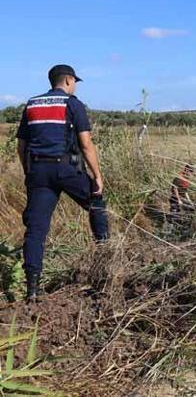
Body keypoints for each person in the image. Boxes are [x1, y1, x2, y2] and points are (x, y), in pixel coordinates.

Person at [16, 64, 109, 300]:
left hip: (38, 170)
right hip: (67, 168)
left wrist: (30, 172)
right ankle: (106, 256)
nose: (75, 85)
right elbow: (86, 144)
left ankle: (32, 290)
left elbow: (21, 146)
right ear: (68, 81)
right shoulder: (72, 104)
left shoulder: (32, 104)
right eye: (75, 81)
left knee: (36, 230)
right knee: (96, 202)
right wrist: (97, 175)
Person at [169, 164, 195, 237]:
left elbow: (185, 191)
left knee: (191, 209)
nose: (191, 173)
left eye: (192, 172)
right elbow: (175, 188)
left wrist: (189, 201)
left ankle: (185, 228)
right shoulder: (179, 177)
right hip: (175, 198)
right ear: (186, 170)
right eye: (190, 171)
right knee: (175, 214)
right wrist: (179, 200)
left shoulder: (187, 179)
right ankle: (172, 231)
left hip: (182, 198)